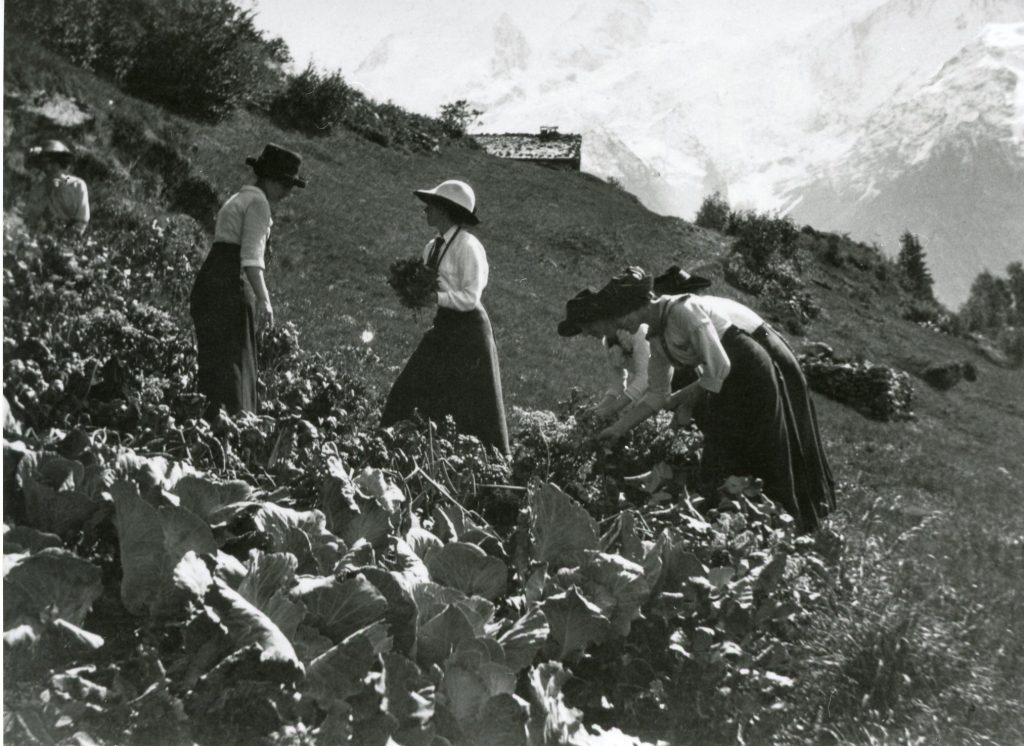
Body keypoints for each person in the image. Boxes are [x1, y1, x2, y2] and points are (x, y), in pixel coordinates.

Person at [558, 267, 827, 532]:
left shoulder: (683, 311)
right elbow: (657, 394)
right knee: (718, 462)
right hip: (720, 383)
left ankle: (793, 527)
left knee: (767, 451)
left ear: (638, 306)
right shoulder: (654, 335)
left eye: (623, 316)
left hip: (750, 372)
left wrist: (685, 401)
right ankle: (746, 527)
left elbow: (720, 365)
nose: (622, 325)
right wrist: (617, 429)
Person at [381, 179, 509, 454]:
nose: (425, 210)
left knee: (471, 405)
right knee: (407, 391)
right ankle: (395, 445)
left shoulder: (468, 246)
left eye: (432, 205)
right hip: (446, 326)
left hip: (470, 331)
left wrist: (434, 298)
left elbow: (470, 297)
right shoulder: (432, 247)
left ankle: (484, 463)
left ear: (446, 210)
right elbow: (433, 288)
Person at [189, 143, 306, 418]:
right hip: (230, 285)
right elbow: (251, 258)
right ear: (269, 179)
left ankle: (206, 422)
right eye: (285, 184)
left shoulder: (237, 198)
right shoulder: (258, 203)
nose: (288, 193)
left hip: (209, 280)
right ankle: (232, 429)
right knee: (236, 365)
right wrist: (265, 300)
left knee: (214, 362)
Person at [558, 267, 711, 420]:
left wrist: (612, 410)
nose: (585, 333)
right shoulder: (608, 342)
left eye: (587, 326)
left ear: (599, 318)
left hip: (682, 379)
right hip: (660, 389)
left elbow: (643, 377)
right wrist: (597, 411)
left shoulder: (636, 330)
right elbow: (617, 385)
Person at [24, 140, 90, 236]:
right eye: (44, 164)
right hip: (40, 238)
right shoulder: (39, 189)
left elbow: (82, 220)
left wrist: (67, 238)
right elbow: (29, 217)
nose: (48, 167)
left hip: (67, 240)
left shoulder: (77, 185)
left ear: (61, 163)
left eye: (52, 162)